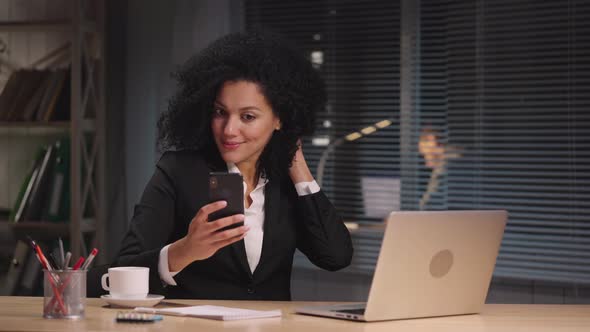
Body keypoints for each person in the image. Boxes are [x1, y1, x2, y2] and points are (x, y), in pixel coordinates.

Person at [113, 31, 353, 300]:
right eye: (220, 112)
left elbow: (336, 256)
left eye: (247, 116)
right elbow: (124, 269)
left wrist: (297, 165)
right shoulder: (178, 172)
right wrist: (185, 251)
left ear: (279, 119)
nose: (229, 129)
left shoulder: (285, 183)